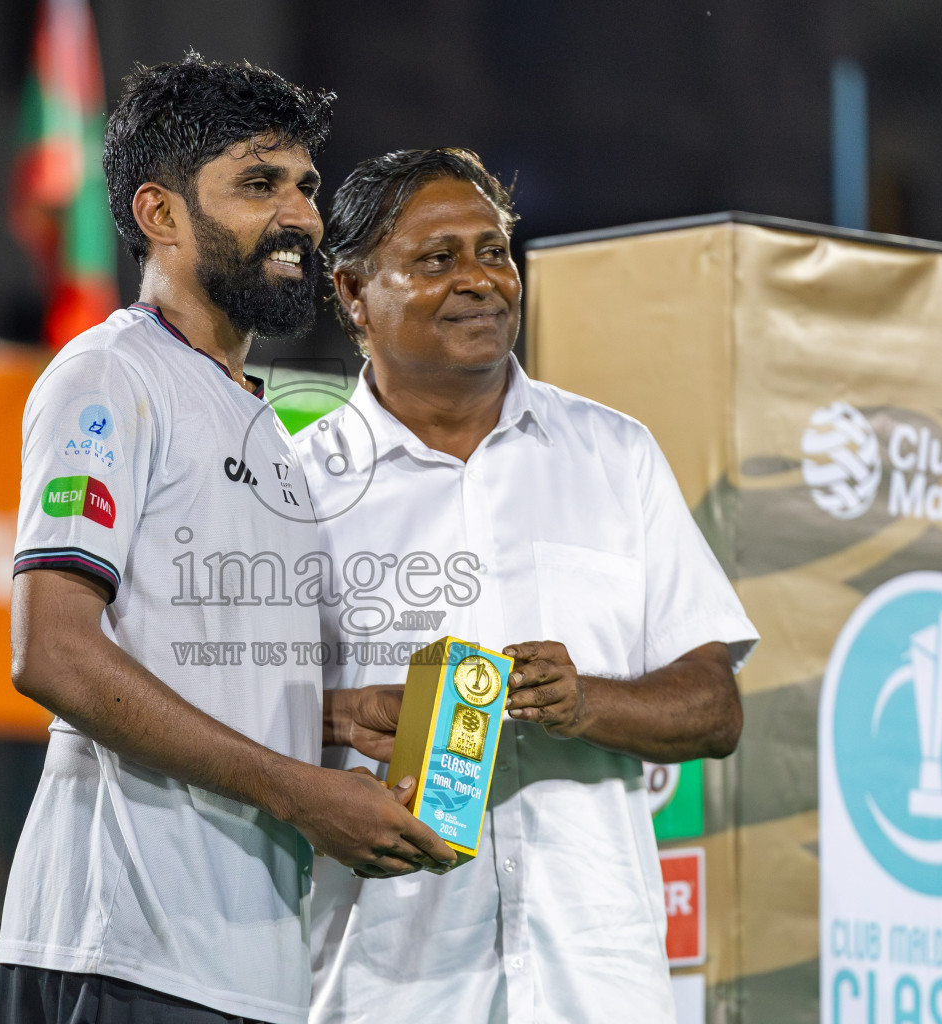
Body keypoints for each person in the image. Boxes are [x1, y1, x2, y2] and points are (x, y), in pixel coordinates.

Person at [0, 59, 454, 1024]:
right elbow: (55, 653)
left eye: (305, 187)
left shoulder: (262, 428)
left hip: (243, 971)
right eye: (259, 185)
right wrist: (298, 791)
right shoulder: (110, 375)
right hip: (120, 951)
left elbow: (172, 651)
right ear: (160, 215)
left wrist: (326, 714)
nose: (301, 216)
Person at [296, 148, 759, 1023]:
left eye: (494, 251)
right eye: (438, 259)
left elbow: (715, 708)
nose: (481, 280)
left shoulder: (614, 456)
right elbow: (223, 714)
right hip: (384, 985)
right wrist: (339, 713)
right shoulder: (298, 490)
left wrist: (586, 703)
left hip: (595, 983)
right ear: (354, 292)